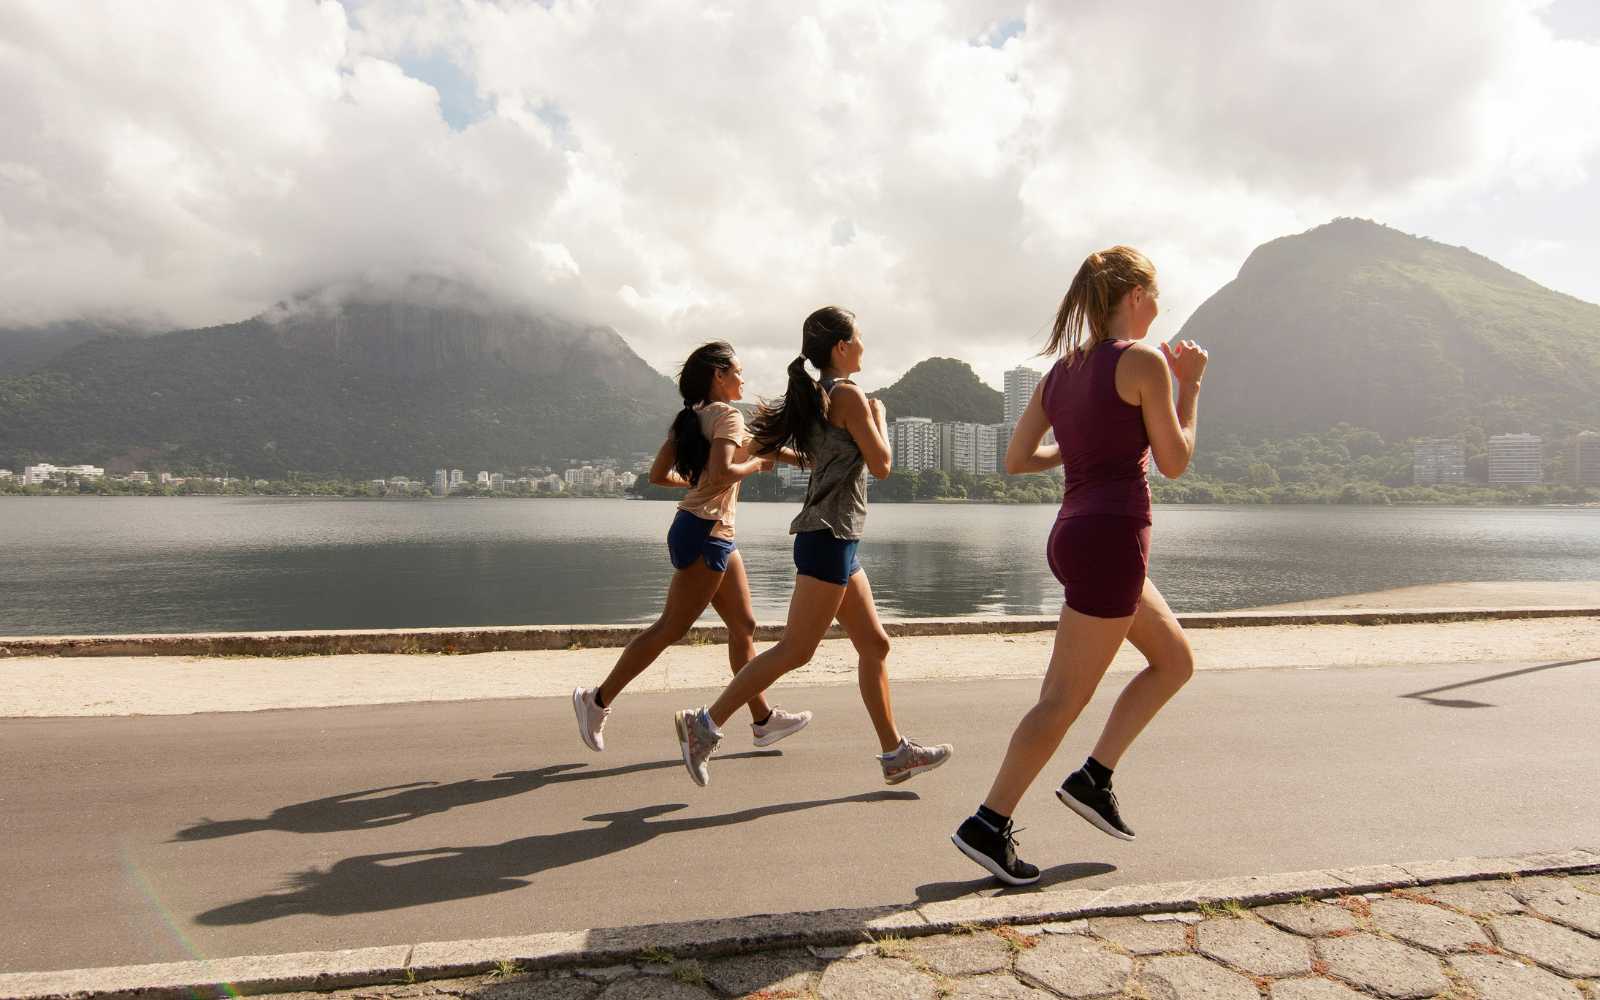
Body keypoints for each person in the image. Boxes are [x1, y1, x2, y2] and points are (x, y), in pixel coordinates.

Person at [951, 247, 1209, 884]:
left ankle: (1094, 779)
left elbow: (1017, 458)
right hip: (1113, 539)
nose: (1161, 306)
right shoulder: (1144, 363)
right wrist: (1192, 388)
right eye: (1156, 294)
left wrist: (1079, 448)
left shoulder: (1060, 374)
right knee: (1061, 699)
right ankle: (988, 821)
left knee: (1174, 660)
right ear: (1133, 295)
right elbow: (1175, 461)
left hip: (1074, 533)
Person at [671, 307, 953, 787]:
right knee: (795, 650)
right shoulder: (848, 395)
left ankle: (895, 754)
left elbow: (772, 448)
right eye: (858, 338)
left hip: (837, 536)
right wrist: (881, 417)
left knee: (874, 644)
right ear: (841, 348)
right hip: (829, 537)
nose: (863, 345)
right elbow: (881, 464)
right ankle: (705, 724)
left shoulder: (817, 394)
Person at [572, 341, 811, 753]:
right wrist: (751, 468)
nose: (742, 378)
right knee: (671, 627)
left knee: (743, 627)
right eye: (737, 371)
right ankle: (595, 701)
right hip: (707, 532)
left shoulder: (692, 418)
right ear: (718, 375)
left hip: (703, 528)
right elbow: (725, 471)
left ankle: (763, 720)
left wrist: (815, 460)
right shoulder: (728, 416)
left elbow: (659, 475)